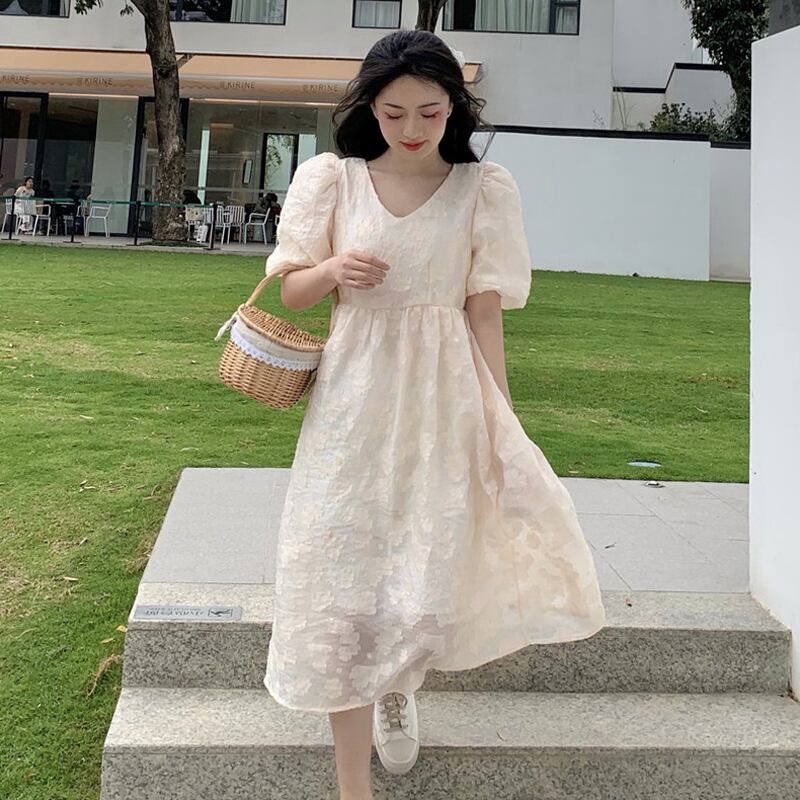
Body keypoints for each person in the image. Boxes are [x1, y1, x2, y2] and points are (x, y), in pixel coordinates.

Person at [262, 30, 606, 800]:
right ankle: (352, 787)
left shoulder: (484, 189)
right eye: (394, 113)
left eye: (430, 110)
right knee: (336, 574)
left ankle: (395, 684)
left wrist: (502, 423)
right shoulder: (333, 180)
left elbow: (484, 313)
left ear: (456, 106)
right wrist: (332, 268)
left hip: (444, 398)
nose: (413, 128)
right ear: (369, 109)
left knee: (423, 570)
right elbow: (290, 291)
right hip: (352, 404)